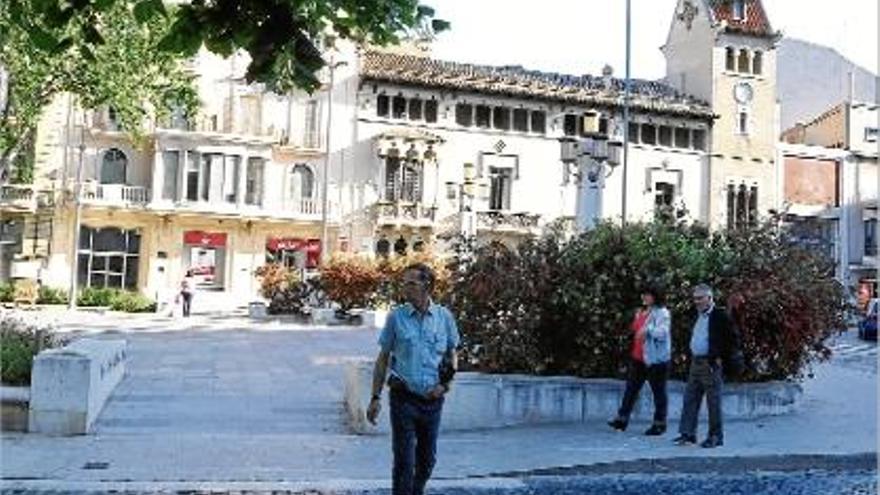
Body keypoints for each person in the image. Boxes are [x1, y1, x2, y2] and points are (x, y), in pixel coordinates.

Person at [366, 263, 460, 495]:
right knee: (404, 462)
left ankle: (415, 491)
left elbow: (453, 354)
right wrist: (375, 397)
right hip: (403, 398)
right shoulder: (396, 317)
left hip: (432, 401)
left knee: (427, 460)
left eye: (411, 283)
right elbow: (383, 359)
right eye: (404, 282)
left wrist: (445, 386)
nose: (405, 288)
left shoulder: (444, 317)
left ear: (426, 286)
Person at [673, 283, 737, 448]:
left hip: (711, 363)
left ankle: (715, 436)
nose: (697, 302)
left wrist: (720, 358)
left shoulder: (720, 315)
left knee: (713, 402)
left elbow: (732, 340)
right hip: (696, 362)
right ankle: (687, 434)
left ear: (710, 298)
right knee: (690, 398)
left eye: (700, 298)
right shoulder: (696, 315)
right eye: (695, 299)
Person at [607, 284, 671, 435]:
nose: (644, 297)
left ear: (655, 296)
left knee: (659, 392)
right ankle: (622, 419)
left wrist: (648, 330)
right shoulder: (641, 311)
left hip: (656, 360)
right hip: (638, 357)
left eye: (648, 294)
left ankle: (659, 424)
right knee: (631, 390)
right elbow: (634, 330)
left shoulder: (662, 313)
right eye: (643, 294)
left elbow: (662, 333)